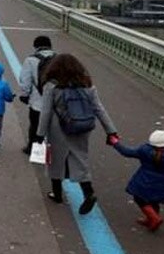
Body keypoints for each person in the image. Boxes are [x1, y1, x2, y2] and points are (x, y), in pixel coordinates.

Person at [36, 53, 118, 215]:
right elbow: (99, 109)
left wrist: (40, 134)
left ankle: (57, 194)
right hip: (82, 126)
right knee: (80, 158)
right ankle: (88, 193)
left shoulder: (52, 86)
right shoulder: (87, 85)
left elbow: (46, 112)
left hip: (58, 128)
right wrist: (111, 131)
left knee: (55, 161)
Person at [109, 130, 164, 231]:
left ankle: (154, 218)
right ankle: (151, 218)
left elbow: (127, 152)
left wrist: (116, 143)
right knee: (154, 201)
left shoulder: (144, 151)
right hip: (163, 186)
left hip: (144, 182)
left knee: (140, 199)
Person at [18, 35, 56, 155]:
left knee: (35, 125)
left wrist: (24, 94)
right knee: (53, 127)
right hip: (56, 101)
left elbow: (25, 80)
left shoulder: (30, 60)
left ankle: (33, 149)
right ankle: (54, 150)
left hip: (37, 102)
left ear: (36, 46)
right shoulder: (59, 59)